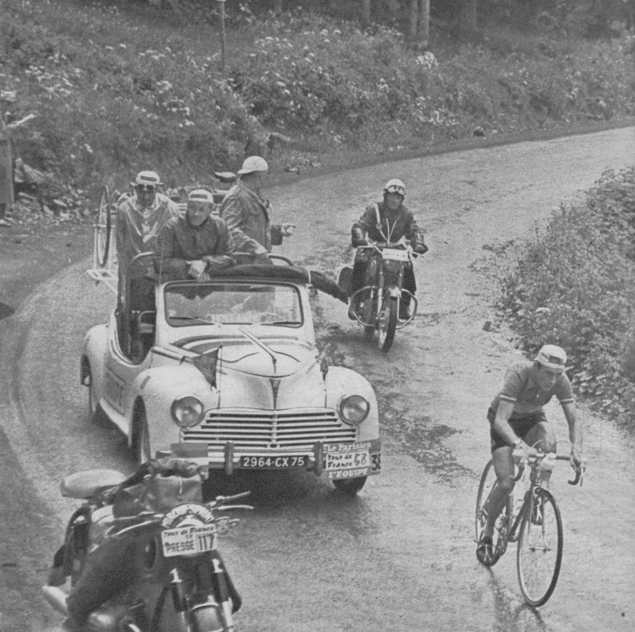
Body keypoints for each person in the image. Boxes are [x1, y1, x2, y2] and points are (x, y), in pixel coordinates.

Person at [476, 344, 584, 564]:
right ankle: (487, 533)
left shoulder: (561, 381)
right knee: (506, 483)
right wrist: (518, 444)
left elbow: (574, 419)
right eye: (548, 374)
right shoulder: (519, 373)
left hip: (532, 419)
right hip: (504, 421)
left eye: (557, 375)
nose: (552, 381)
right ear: (536, 366)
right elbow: (500, 421)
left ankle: (539, 491)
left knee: (549, 444)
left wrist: (577, 449)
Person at [350, 178, 428, 320]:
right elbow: (361, 224)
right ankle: (355, 300)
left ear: (402, 199)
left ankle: (404, 305)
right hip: (374, 245)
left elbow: (414, 230)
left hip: (395, 247)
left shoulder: (406, 214)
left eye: (398, 197)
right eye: (392, 196)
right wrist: (360, 237)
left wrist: (419, 244)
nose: (395, 200)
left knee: (408, 269)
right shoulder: (374, 210)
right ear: (386, 196)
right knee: (361, 261)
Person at [115, 170, 181, 308]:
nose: (145, 195)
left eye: (150, 190)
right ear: (135, 188)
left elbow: (178, 241)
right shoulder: (124, 209)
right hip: (135, 269)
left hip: (161, 268)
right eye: (140, 189)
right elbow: (121, 247)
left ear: (157, 189)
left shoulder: (170, 208)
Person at [219, 156, 295, 260]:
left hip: (256, 260)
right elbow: (228, 231)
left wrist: (278, 230)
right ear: (258, 176)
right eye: (265, 175)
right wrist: (253, 247)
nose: (265, 179)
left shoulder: (252, 195)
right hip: (241, 265)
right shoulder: (237, 197)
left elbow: (252, 229)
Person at [155, 188, 236, 281]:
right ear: (187, 206)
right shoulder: (172, 226)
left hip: (211, 280)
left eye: (202, 209)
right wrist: (190, 266)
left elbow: (231, 256)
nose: (196, 214)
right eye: (192, 208)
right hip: (178, 281)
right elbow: (160, 261)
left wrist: (205, 263)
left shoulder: (220, 225)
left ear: (211, 209)